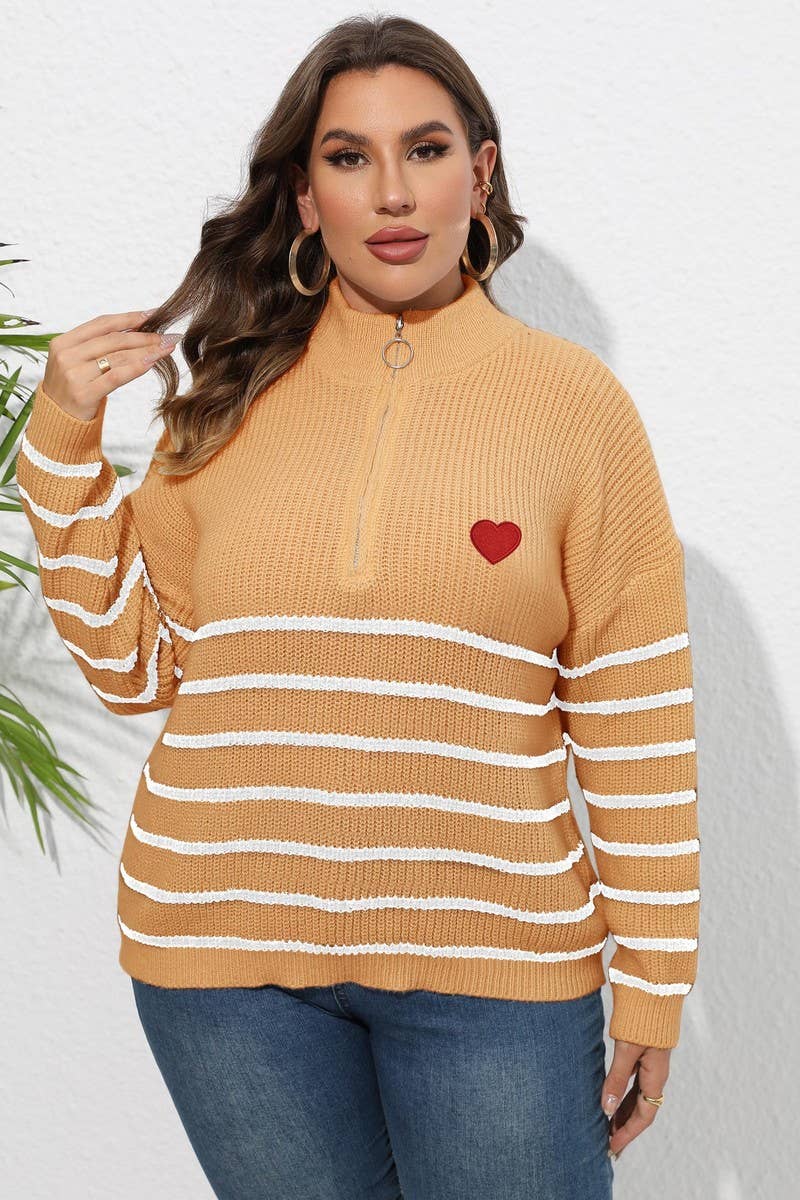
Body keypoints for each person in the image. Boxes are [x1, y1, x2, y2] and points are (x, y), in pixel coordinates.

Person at [17, 14, 700, 1200]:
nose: (390, 192)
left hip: (493, 965)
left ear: (478, 175)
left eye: (424, 150)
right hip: (221, 961)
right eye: (348, 157)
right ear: (303, 194)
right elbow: (136, 666)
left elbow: (631, 712)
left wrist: (652, 978)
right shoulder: (228, 394)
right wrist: (62, 440)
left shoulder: (572, 407)